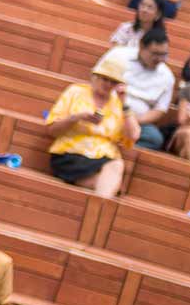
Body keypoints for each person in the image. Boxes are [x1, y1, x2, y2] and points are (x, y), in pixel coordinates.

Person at [44, 55, 134, 198]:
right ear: (95, 77)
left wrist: (125, 105)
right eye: (104, 79)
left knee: (114, 170)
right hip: (71, 154)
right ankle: (101, 204)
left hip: (103, 160)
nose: (108, 84)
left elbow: (133, 136)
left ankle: (99, 203)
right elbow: (52, 130)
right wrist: (78, 118)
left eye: (113, 82)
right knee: (112, 182)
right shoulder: (75, 91)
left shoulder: (119, 103)